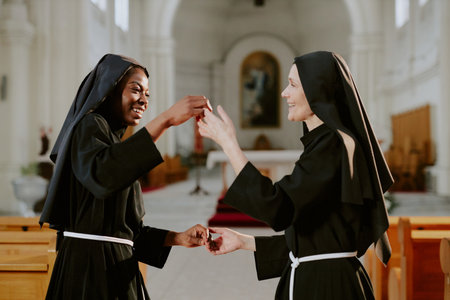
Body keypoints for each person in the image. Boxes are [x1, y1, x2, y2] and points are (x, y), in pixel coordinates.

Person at [198, 51, 393, 300]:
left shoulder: (332, 145)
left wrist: (228, 143)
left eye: (292, 84)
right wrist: (244, 241)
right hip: (325, 278)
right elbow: (319, 238)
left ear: (317, 90)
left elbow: (276, 207)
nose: (283, 93)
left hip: (328, 288)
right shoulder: (327, 142)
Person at [39, 53, 210, 300]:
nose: (143, 100)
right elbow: (103, 176)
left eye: (147, 94)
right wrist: (165, 120)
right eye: (136, 90)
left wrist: (178, 238)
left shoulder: (114, 145)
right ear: (110, 89)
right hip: (88, 271)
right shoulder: (89, 126)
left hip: (116, 267)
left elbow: (127, 232)